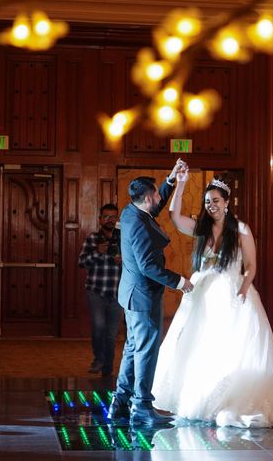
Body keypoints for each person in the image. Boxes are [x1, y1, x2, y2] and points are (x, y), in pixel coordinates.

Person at [151, 170, 273, 428]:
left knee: (231, 345)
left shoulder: (240, 229)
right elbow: (174, 217)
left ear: (227, 202)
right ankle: (202, 394)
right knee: (199, 344)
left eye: (216, 200)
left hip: (232, 291)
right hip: (202, 293)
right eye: (208, 201)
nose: (211, 205)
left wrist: (243, 289)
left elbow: (251, 265)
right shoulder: (202, 228)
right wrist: (181, 185)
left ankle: (228, 397)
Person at [107, 159, 194, 427]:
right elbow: (148, 267)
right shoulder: (140, 225)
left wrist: (170, 179)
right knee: (145, 350)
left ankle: (121, 402)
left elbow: (154, 207)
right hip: (142, 296)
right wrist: (180, 282)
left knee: (133, 348)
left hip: (132, 295)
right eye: (156, 193)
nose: (158, 197)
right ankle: (142, 406)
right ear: (146, 197)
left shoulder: (131, 211)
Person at [78, 203, 123, 377]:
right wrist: (97, 252)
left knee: (111, 335)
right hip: (96, 291)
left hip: (118, 292)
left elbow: (136, 265)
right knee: (98, 327)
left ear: (117, 219)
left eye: (113, 217)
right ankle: (98, 358)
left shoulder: (124, 239)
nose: (110, 220)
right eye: (106, 217)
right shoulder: (92, 239)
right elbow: (81, 263)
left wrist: (124, 261)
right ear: (100, 219)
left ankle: (107, 368)